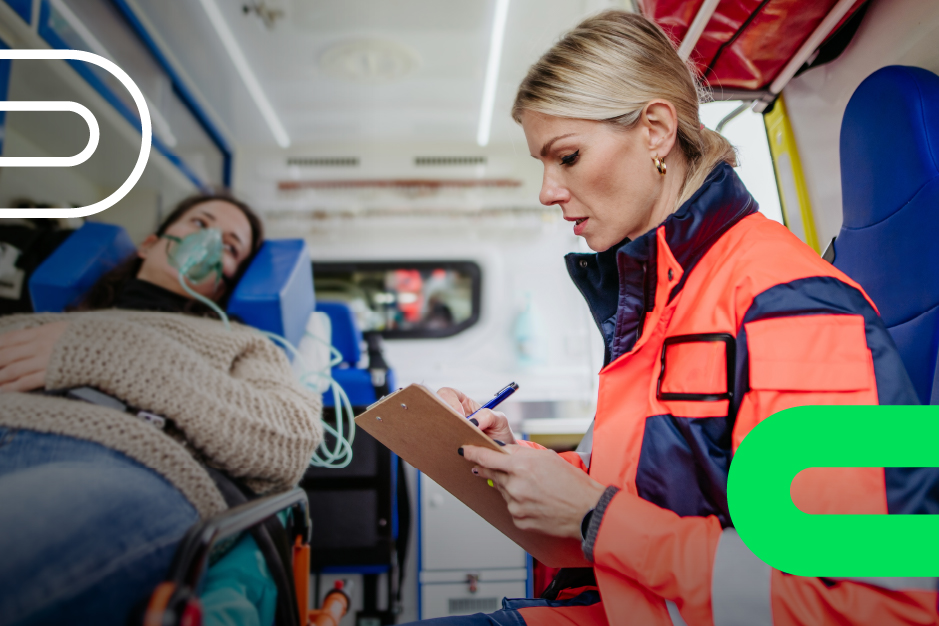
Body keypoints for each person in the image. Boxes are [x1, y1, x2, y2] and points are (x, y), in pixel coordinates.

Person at [404, 11, 938, 626]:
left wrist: (593, 516)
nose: (547, 192)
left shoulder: (791, 305)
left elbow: (876, 605)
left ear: (656, 130)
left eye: (568, 157)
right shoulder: (660, 298)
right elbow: (653, 490)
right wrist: (514, 464)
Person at [0, 194, 324, 625]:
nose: (209, 243)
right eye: (199, 224)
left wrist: (110, 355)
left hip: (116, 462)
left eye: (229, 246)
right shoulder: (36, 321)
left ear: (227, 280)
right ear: (149, 243)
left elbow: (289, 440)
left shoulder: (242, 345)